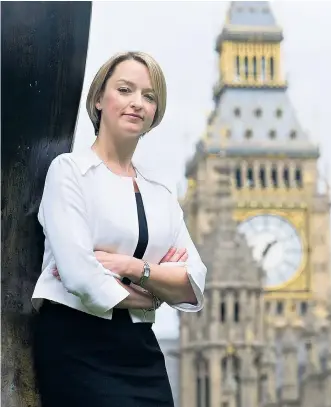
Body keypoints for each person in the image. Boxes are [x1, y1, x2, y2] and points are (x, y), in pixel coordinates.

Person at [31, 51, 207, 407]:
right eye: (125, 90)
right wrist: (154, 291)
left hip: (140, 348)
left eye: (149, 95)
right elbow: (79, 275)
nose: (137, 103)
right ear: (98, 99)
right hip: (76, 343)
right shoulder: (69, 172)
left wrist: (131, 268)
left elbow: (193, 282)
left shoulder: (161, 194)